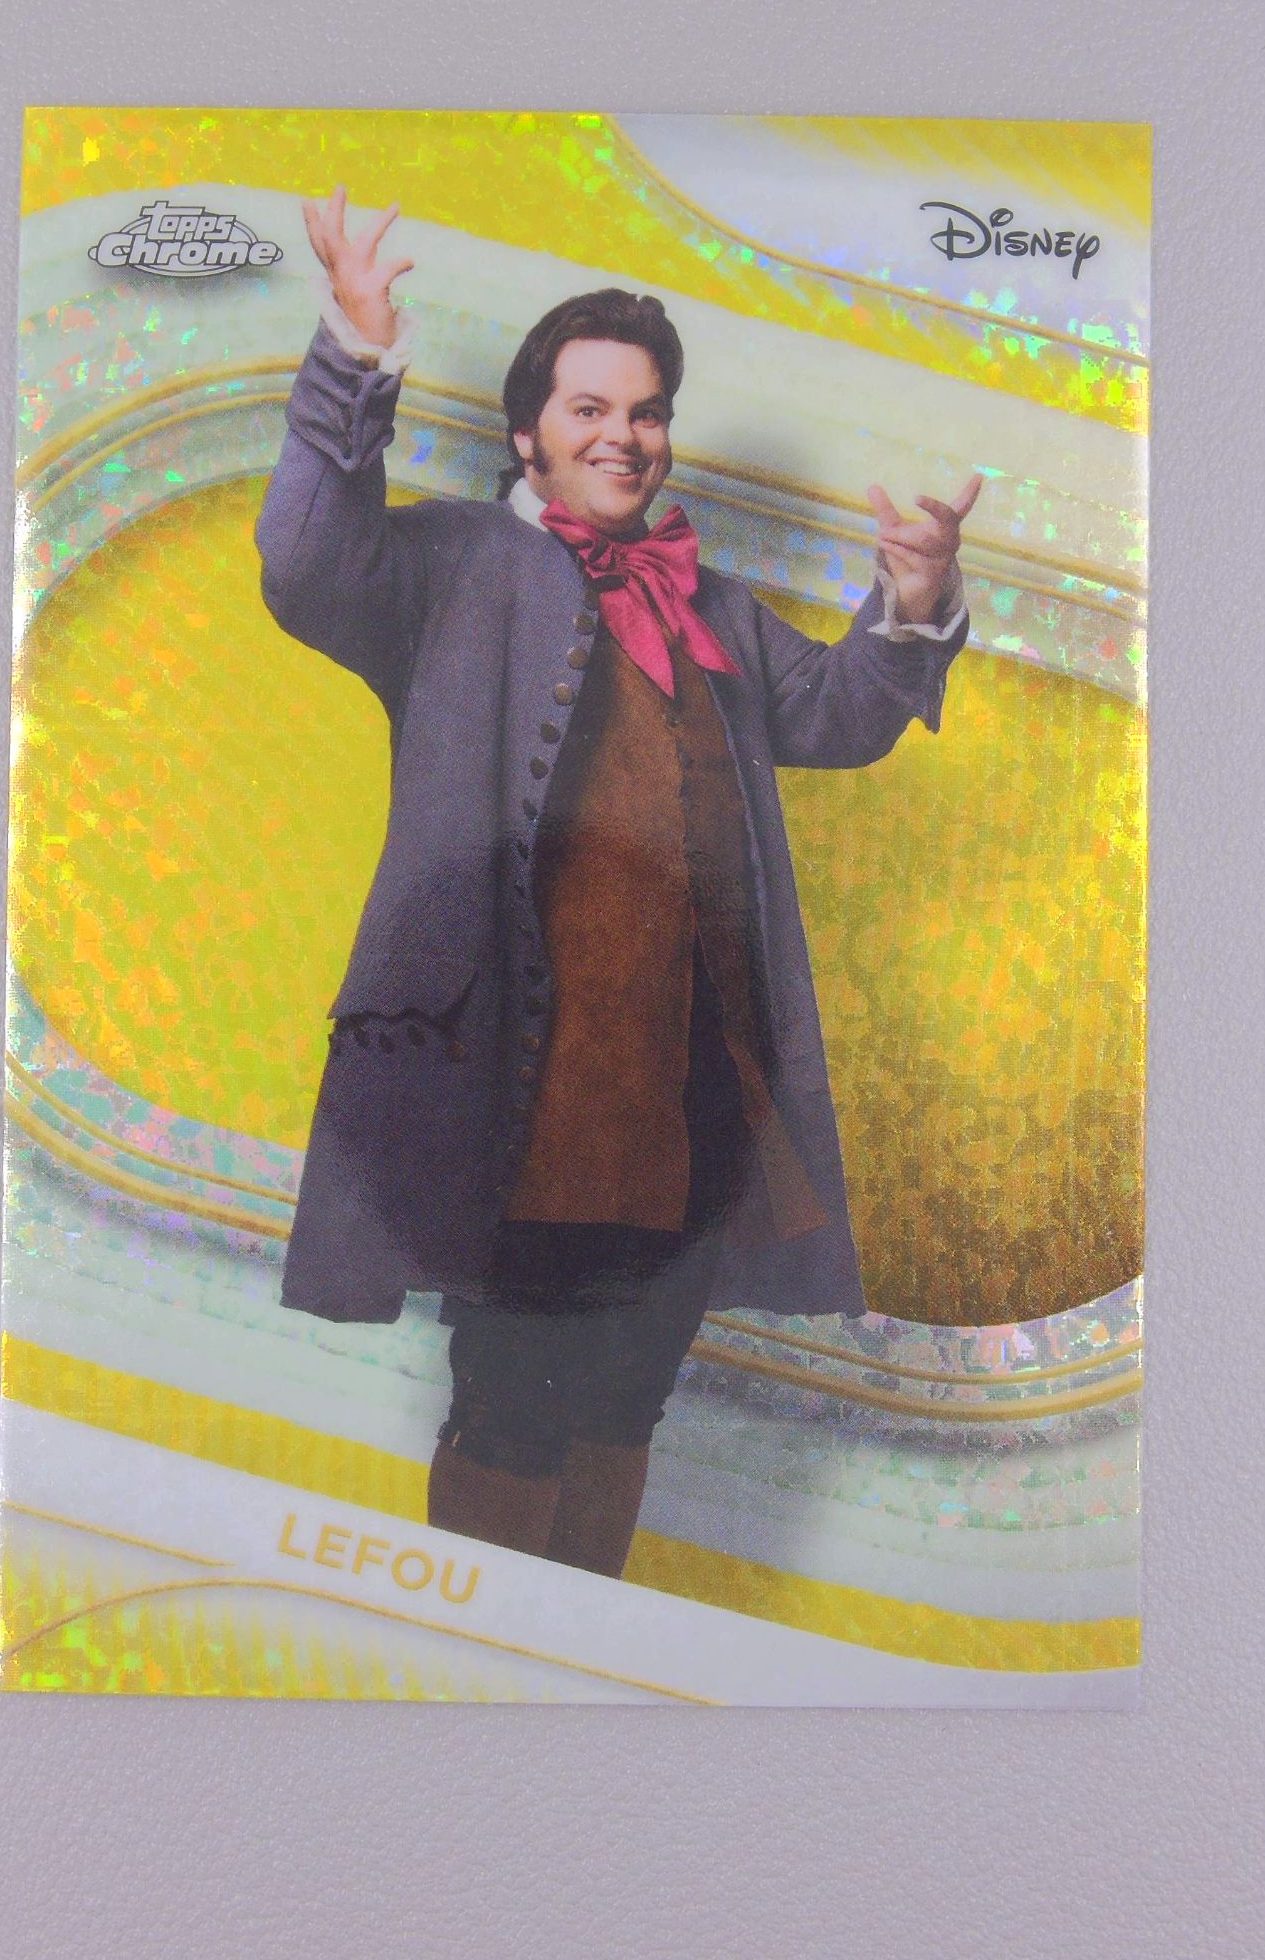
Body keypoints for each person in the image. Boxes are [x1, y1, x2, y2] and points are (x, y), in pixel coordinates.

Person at [254, 186, 977, 1578]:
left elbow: (839, 715)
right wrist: (352, 353)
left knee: (625, 1406)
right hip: (524, 1095)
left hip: (694, 1105)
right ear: (527, 433)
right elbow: (307, 562)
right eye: (588, 409)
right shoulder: (446, 562)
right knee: (511, 1412)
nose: (622, 437)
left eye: (645, 413)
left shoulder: (710, 606)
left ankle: (581, 1659)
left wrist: (913, 598)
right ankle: (482, 1667)